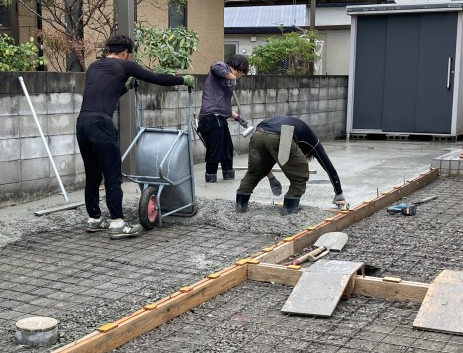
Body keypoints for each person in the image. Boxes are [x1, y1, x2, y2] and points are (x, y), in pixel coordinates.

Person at [77, 34, 194, 239]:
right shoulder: (125, 66)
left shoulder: (94, 67)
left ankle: (94, 219)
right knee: (112, 176)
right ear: (125, 53)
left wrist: (126, 87)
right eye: (129, 55)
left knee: (93, 175)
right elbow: (156, 77)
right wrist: (182, 79)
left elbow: (106, 94)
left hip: (82, 123)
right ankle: (117, 223)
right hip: (102, 124)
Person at [234, 115, 346, 215]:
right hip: (284, 133)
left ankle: (240, 208)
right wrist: (338, 192)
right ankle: (289, 210)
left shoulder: (295, 130)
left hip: (259, 133)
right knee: (300, 173)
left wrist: (271, 178)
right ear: (306, 152)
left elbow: (262, 164)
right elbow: (328, 166)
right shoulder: (313, 141)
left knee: (253, 173)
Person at [198, 54, 249, 183]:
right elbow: (215, 66)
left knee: (227, 147)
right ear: (239, 68)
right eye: (242, 73)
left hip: (218, 117)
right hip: (211, 117)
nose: (241, 76)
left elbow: (224, 108)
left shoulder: (226, 84)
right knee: (216, 148)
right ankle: (210, 177)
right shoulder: (222, 68)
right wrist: (231, 77)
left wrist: (238, 118)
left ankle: (228, 174)